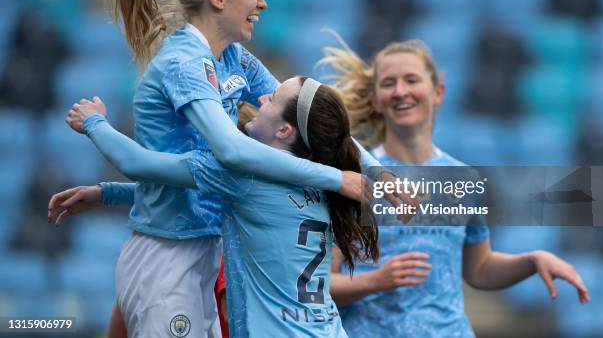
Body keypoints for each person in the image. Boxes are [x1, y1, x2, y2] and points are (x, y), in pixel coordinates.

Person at [48, 0, 371, 338]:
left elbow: (309, 118)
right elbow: (230, 151)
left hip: (208, 249)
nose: (264, 2)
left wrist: (377, 171)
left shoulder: (234, 58)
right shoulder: (184, 63)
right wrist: (339, 178)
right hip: (168, 253)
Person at [53, 77, 379, 337]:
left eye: (273, 97)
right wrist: (109, 194)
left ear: (284, 130)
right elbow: (199, 195)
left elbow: (137, 162)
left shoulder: (247, 174)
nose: (261, 99)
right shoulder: (320, 182)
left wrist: (93, 122)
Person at [319, 36, 591, 338]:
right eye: (388, 83)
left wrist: (532, 260)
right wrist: (376, 281)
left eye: (411, 80)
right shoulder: (355, 178)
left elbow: (479, 269)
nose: (400, 91)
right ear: (375, 99)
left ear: (438, 92)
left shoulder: (463, 179)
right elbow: (321, 283)